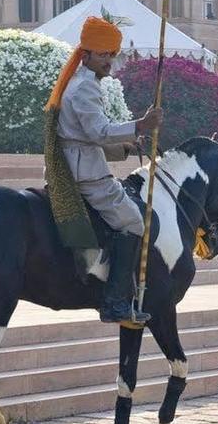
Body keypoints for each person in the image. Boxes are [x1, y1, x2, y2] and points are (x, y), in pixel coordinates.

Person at [46, 16, 161, 324]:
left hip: (79, 160)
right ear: (86, 55)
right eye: (103, 54)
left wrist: (124, 145)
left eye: (112, 54)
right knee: (135, 222)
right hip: (87, 174)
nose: (110, 61)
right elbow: (97, 132)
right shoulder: (85, 87)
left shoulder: (78, 81)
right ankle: (114, 303)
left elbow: (83, 134)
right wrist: (141, 124)